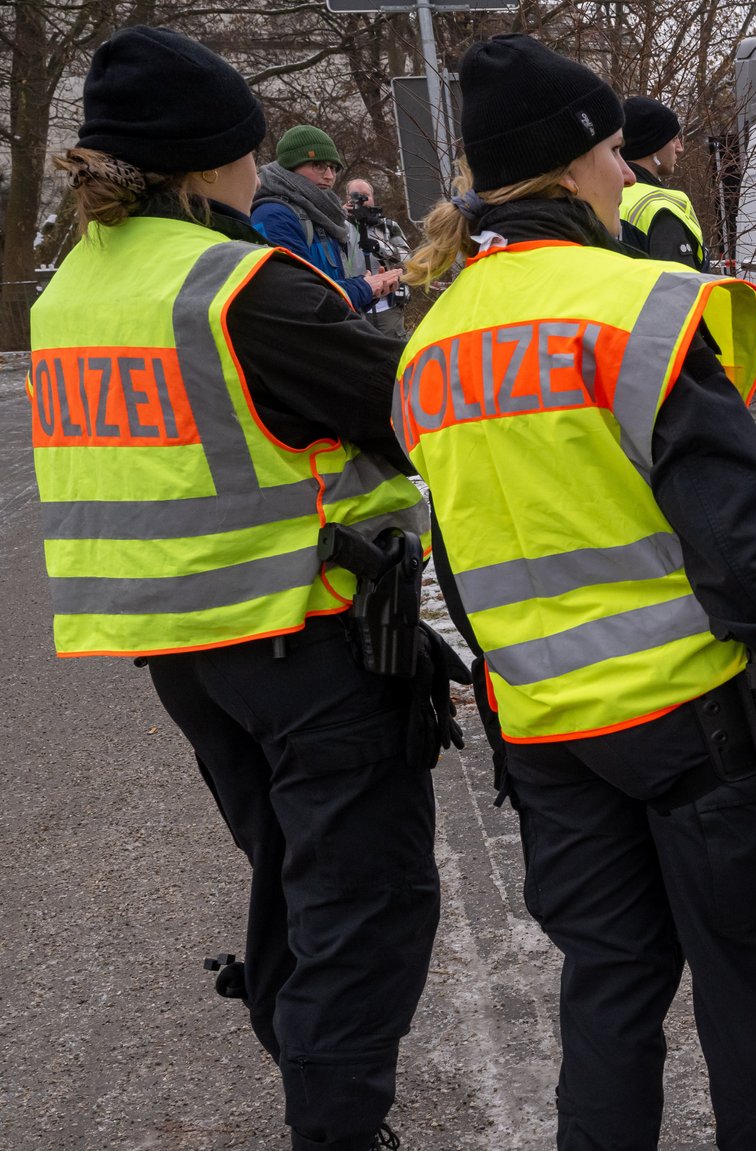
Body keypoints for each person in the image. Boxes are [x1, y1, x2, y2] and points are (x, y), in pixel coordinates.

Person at [397, 34, 756, 1150]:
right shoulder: (643, 308)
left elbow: (460, 566)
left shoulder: (431, 341)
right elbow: (744, 559)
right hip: (695, 723)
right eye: (615, 151)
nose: (630, 173)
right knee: (749, 1000)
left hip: (550, 735)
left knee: (607, 996)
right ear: (571, 166)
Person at [31, 28, 444, 1151]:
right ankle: (337, 1126)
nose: (258, 168)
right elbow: (409, 405)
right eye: (250, 150)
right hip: (301, 638)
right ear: (210, 159)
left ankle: (308, 1062)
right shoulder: (238, 285)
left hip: (183, 650)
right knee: (367, 903)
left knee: (290, 872)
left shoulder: (73, 287)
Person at [252, 124, 403, 311]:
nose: (330, 176)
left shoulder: (324, 215)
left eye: (333, 168)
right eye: (318, 166)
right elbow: (297, 298)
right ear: (290, 167)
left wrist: (368, 290)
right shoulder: (274, 215)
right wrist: (363, 288)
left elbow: (329, 289)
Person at [617, 95, 706, 269]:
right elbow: (681, 289)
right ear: (652, 146)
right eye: (673, 139)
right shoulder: (660, 208)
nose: (680, 148)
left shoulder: (601, 196)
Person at [345, 178, 411, 336]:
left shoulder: (388, 226)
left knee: (394, 352)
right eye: (356, 196)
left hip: (388, 305)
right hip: (355, 304)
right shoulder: (339, 226)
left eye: (366, 195)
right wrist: (340, 215)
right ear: (347, 199)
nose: (362, 200)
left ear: (373, 198)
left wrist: (378, 247)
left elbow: (407, 258)